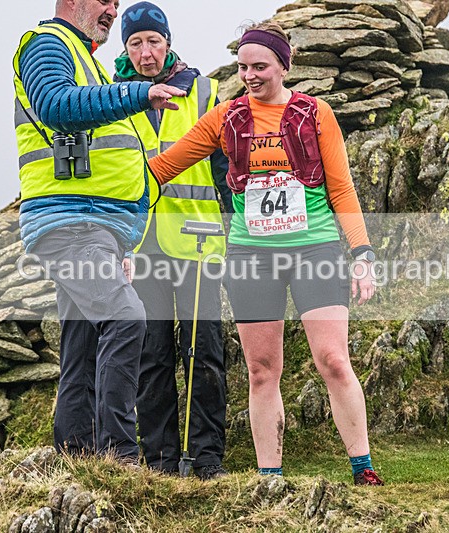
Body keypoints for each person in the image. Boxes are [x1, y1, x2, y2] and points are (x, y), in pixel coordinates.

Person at [148, 21, 385, 485]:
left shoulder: (315, 113)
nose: (251, 75)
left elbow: (342, 189)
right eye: (243, 67)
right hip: (251, 256)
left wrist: (362, 252)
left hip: (314, 248)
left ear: (283, 65)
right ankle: (269, 476)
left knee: (333, 360)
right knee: (261, 370)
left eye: (260, 66)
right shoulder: (226, 118)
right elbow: (163, 167)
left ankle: (363, 467)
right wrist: (103, 203)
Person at [12, 0, 185, 461]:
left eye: (116, 2)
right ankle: (120, 457)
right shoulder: (48, 44)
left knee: (83, 347)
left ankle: (78, 458)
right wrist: (136, 93)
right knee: (125, 316)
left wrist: (121, 234)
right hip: (71, 223)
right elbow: (54, 105)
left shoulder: (85, 56)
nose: (112, 9)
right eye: (104, 0)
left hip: (95, 227)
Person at [114, 2, 232, 480]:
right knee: (152, 355)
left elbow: (227, 171)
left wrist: (233, 230)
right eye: (135, 43)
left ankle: (206, 459)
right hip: (142, 248)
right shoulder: (112, 97)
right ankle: (160, 460)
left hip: (199, 242)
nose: (146, 53)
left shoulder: (204, 92)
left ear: (169, 42)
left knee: (204, 351)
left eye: (153, 41)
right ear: (126, 49)